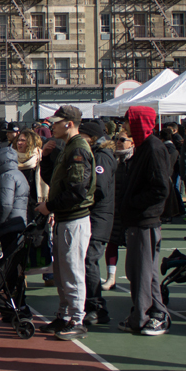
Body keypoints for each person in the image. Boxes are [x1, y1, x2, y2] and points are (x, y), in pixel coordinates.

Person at [36, 105, 96, 340]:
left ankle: (77, 318)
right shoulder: (68, 147)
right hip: (65, 218)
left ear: (68, 123)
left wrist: (49, 206)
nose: (52, 126)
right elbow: (56, 180)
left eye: (56, 122)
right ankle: (64, 314)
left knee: (72, 270)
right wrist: (48, 159)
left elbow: (77, 189)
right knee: (61, 272)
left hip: (74, 218)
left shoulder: (78, 148)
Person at [117, 106, 172, 336]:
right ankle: (150, 313)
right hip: (139, 219)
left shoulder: (153, 148)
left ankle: (149, 315)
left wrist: (134, 202)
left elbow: (160, 188)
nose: (125, 126)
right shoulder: (144, 147)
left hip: (145, 219)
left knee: (141, 271)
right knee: (141, 271)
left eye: (129, 122)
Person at [78, 120, 116, 325]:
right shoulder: (96, 154)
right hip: (96, 216)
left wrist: (81, 193)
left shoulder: (102, 156)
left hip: (98, 218)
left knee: (89, 260)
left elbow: (99, 188)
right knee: (87, 260)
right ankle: (92, 304)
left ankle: (96, 306)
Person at [104, 129, 135, 290]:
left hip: (130, 210)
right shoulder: (112, 159)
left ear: (132, 142)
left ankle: (134, 278)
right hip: (113, 208)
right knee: (112, 242)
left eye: (123, 139)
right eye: (117, 139)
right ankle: (111, 278)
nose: (118, 142)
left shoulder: (134, 160)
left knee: (132, 246)